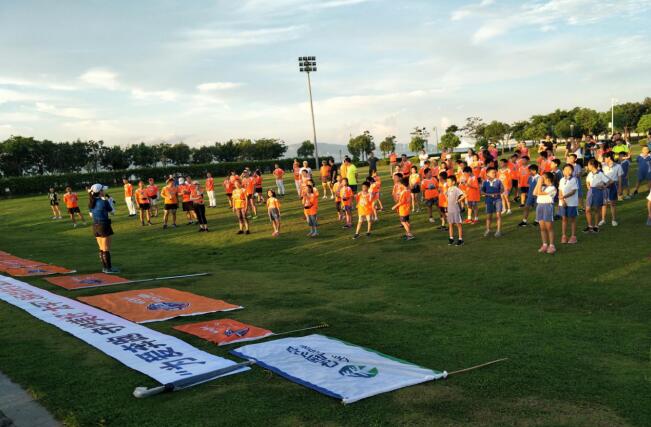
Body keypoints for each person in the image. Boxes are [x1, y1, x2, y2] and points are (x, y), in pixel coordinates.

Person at [88, 183, 118, 273]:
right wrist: (110, 202)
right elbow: (113, 212)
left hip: (95, 226)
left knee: (101, 248)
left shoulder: (91, 202)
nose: (104, 191)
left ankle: (105, 268)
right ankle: (108, 268)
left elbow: (91, 215)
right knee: (106, 248)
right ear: (100, 192)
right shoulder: (104, 202)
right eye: (103, 190)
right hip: (104, 225)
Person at [533, 172, 557, 254]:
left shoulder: (552, 188)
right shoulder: (542, 186)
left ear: (548, 179)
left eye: (543, 178)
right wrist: (538, 183)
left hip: (547, 206)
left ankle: (552, 245)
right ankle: (544, 244)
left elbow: (539, 193)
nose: (541, 179)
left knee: (549, 227)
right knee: (542, 228)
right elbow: (534, 193)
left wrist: (539, 182)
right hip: (540, 206)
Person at [584, 159, 608, 233]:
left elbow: (609, 181)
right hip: (591, 191)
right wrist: (588, 187)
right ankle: (589, 226)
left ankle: (596, 226)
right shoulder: (590, 174)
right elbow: (587, 181)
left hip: (598, 192)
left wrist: (603, 186)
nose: (587, 166)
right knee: (587, 209)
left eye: (588, 165)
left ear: (592, 165)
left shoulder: (600, 174)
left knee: (596, 209)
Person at [558, 164, 579, 244]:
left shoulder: (574, 179)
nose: (567, 171)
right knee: (564, 219)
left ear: (572, 171)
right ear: (563, 171)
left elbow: (573, 191)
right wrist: (562, 200)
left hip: (572, 203)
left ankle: (573, 236)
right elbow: (560, 190)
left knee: (572, 220)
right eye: (565, 169)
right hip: (562, 203)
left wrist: (563, 197)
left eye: (569, 169)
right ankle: (564, 236)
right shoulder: (561, 180)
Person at [601, 152, 622, 227]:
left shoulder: (618, 166)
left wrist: (620, 188)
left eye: (604, 158)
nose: (604, 159)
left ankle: (613, 220)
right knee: (604, 203)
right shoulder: (603, 166)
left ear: (609, 158)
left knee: (612, 203)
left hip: (613, 186)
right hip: (605, 186)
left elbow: (619, 178)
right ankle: (603, 220)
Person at [481, 167, 503, 237]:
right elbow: (482, 192)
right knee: (489, 216)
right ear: (487, 174)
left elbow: (502, 190)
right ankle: (488, 229)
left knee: (498, 215)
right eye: (493, 173)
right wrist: (489, 195)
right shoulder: (485, 182)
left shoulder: (498, 181)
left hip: (498, 200)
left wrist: (498, 193)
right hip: (488, 200)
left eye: (495, 172)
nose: (494, 174)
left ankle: (498, 231)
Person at [391, 173, 414, 240]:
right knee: (406, 221)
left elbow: (401, 201)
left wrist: (395, 206)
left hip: (403, 208)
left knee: (403, 222)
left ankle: (409, 234)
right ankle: (408, 233)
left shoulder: (404, 192)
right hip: (406, 208)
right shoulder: (407, 191)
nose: (394, 178)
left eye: (396, 177)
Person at [445, 175, 466, 246]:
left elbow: (464, 195)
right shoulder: (448, 189)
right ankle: (451, 238)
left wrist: (458, 200)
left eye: (449, 181)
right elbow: (447, 197)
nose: (447, 182)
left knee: (458, 224)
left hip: (456, 210)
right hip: (450, 210)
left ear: (453, 182)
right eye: (447, 181)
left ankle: (460, 239)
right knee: (450, 224)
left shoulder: (456, 189)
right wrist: (446, 209)